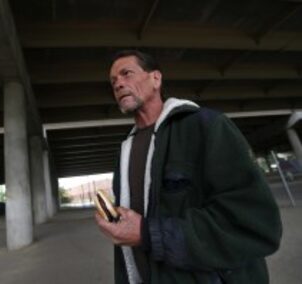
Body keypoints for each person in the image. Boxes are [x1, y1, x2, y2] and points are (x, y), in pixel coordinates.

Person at [95, 50, 282, 284]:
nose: (119, 84)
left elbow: (255, 225)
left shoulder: (207, 127)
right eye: (113, 81)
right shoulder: (126, 150)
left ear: (156, 79)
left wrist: (146, 233)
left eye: (126, 74)